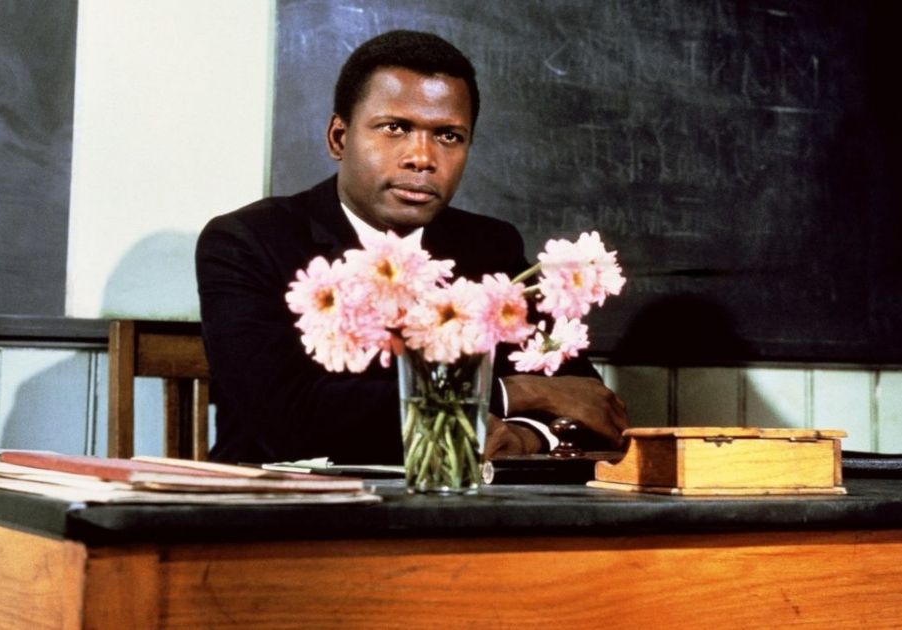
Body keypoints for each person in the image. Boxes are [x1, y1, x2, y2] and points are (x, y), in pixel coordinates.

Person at [197, 30, 627, 464]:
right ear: (339, 138)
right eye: (396, 128)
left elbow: (585, 401)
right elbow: (288, 416)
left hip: (454, 502)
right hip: (278, 500)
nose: (422, 157)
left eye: (448, 136)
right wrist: (510, 392)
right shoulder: (248, 242)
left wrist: (528, 436)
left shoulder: (489, 247)